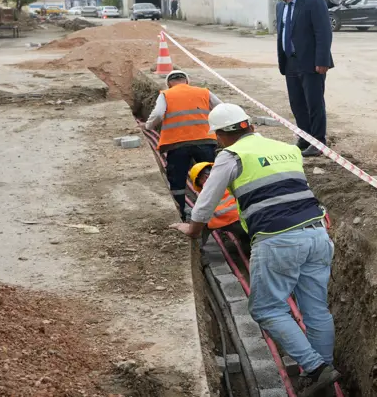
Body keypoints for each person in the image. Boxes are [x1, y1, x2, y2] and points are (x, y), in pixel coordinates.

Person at [180, 103, 340, 396]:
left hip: (277, 238)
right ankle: (321, 372)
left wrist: (192, 229)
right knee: (315, 309)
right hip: (317, 234)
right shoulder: (287, 149)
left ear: (221, 135)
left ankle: (316, 369)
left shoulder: (231, 156)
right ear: (247, 125)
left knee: (266, 308)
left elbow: (206, 202)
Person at [270, 0, 334, 158]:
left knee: (313, 103)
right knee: (297, 104)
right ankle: (304, 137)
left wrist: (322, 61)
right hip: (290, 62)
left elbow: (323, 33)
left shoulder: (313, 2)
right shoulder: (280, 7)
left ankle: (318, 142)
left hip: (311, 62)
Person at [144, 70, 222, 220]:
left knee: (178, 180)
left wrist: (148, 127)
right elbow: (220, 108)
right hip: (205, 141)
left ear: (169, 83)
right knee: (212, 177)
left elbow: (158, 114)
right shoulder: (203, 92)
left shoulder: (166, 94)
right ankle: (217, 212)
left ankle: (182, 213)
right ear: (187, 81)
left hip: (176, 144)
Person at [182, 162, 251, 255]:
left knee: (199, 222)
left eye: (199, 183)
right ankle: (248, 247)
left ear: (204, 178)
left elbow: (200, 213)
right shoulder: (232, 179)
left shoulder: (208, 190)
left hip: (224, 219)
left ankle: (198, 253)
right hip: (247, 220)